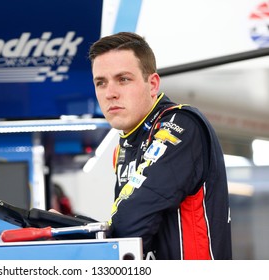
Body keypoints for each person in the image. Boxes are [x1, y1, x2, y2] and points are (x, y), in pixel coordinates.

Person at [88, 32, 232, 260]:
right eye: (101, 83)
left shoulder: (181, 124)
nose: (110, 93)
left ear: (152, 84)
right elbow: (123, 226)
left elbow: (131, 223)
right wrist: (65, 226)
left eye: (123, 79)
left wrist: (76, 234)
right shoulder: (124, 146)